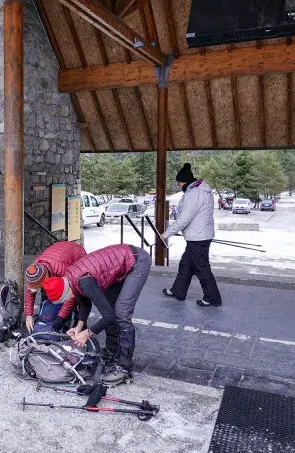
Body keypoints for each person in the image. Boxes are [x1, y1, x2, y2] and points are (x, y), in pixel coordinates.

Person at [45, 244, 152, 385]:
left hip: (137, 261)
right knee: (110, 305)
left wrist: (87, 333)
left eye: (65, 299)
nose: (68, 301)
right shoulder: (70, 278)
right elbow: (85, 303)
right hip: (117, 265)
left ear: (65, 291)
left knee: (122, 313)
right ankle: (112, 352)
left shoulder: (84, 281)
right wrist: (79, 327)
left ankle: (124, 367)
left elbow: (108, 317)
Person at [162, 163, 222, 307]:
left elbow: (184, 218)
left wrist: (167, 233)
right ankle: (178, 291)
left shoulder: (195, 194)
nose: (179, 186)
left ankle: (213, 298)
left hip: (198, 237)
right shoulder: (200, 191)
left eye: (179, 183)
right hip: (198, 236)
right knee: (186, 265)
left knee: (201, 268)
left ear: (185, 182)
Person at [23, 241, 86, 333]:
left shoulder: (62, 270)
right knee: (49, 298)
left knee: (79, 297)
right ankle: (48, 322)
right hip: (57, 254)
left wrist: (61, 317)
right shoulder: (34, 271)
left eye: (40, 286)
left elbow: (70, 296)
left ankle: (79, 328)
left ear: (47, 279)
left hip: (77, 256)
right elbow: (30, 292)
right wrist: (29, 315)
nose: (37, 289)